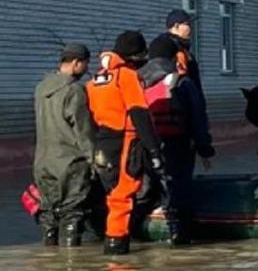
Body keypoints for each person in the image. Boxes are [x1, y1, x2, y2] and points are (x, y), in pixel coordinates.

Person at [87, 31, 165, 255]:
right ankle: (117, 252)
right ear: (135, 55)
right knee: (123, 195)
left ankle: (112, 245)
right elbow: (139, 112)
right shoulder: (127, 76)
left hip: (102, 142)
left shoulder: (96, 80)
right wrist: (154, 150)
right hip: (125, 141)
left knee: (111, 194)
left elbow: (90, 116)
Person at [139, 35, 216, 245]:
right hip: (176, 144)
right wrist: (205, 149)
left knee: (146, 189)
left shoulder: (136, 81)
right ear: (173, 57)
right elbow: (197, 118)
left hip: (143, 146)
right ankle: (179, 235)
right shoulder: (182, 82)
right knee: (178, 190)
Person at [32, 43, 96, 246]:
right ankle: (71, 267)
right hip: (70, 164)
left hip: (42, 163)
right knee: (72, 214)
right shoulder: (74, 90)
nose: (86, 69)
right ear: (77, 63)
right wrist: (94, 161)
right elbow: (83, 131)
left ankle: (50, 265)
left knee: (49, 215)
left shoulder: (41, 88)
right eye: (85, 64)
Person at [156, 9, 203, 96]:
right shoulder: (163, 45)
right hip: (175, 104)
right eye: (187, 24)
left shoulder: (184, 49)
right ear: (176, 26)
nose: (190, 28)